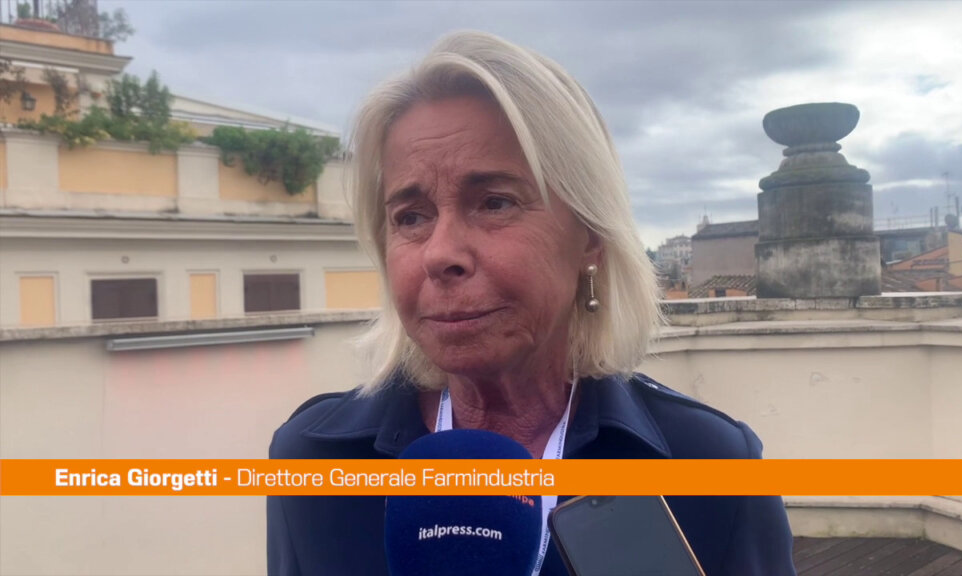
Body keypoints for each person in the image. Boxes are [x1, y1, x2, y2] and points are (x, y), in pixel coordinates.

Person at [268, 30, 795, 576]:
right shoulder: (312, 460)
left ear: (590, 235)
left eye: (494, 202)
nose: (440, 253)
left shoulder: (711, 463)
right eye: (412, 216)